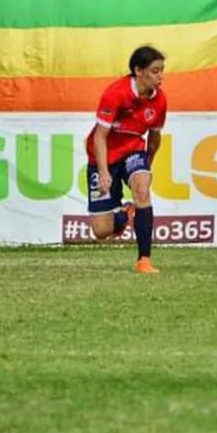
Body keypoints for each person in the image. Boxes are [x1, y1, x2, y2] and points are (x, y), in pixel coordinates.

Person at [84, 45, 167, 274]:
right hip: (103, 156)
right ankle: (123, 215)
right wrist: (103, 172)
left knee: (142, 190)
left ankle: (144, 260)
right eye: (155, 71)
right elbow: (100, 137)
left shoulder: (160, 100)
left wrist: (146, 165)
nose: (161, 76)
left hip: (133, 151)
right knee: (101, 231)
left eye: (162, 71)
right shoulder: (116, 93)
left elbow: (154, 136)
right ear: (138, 71)